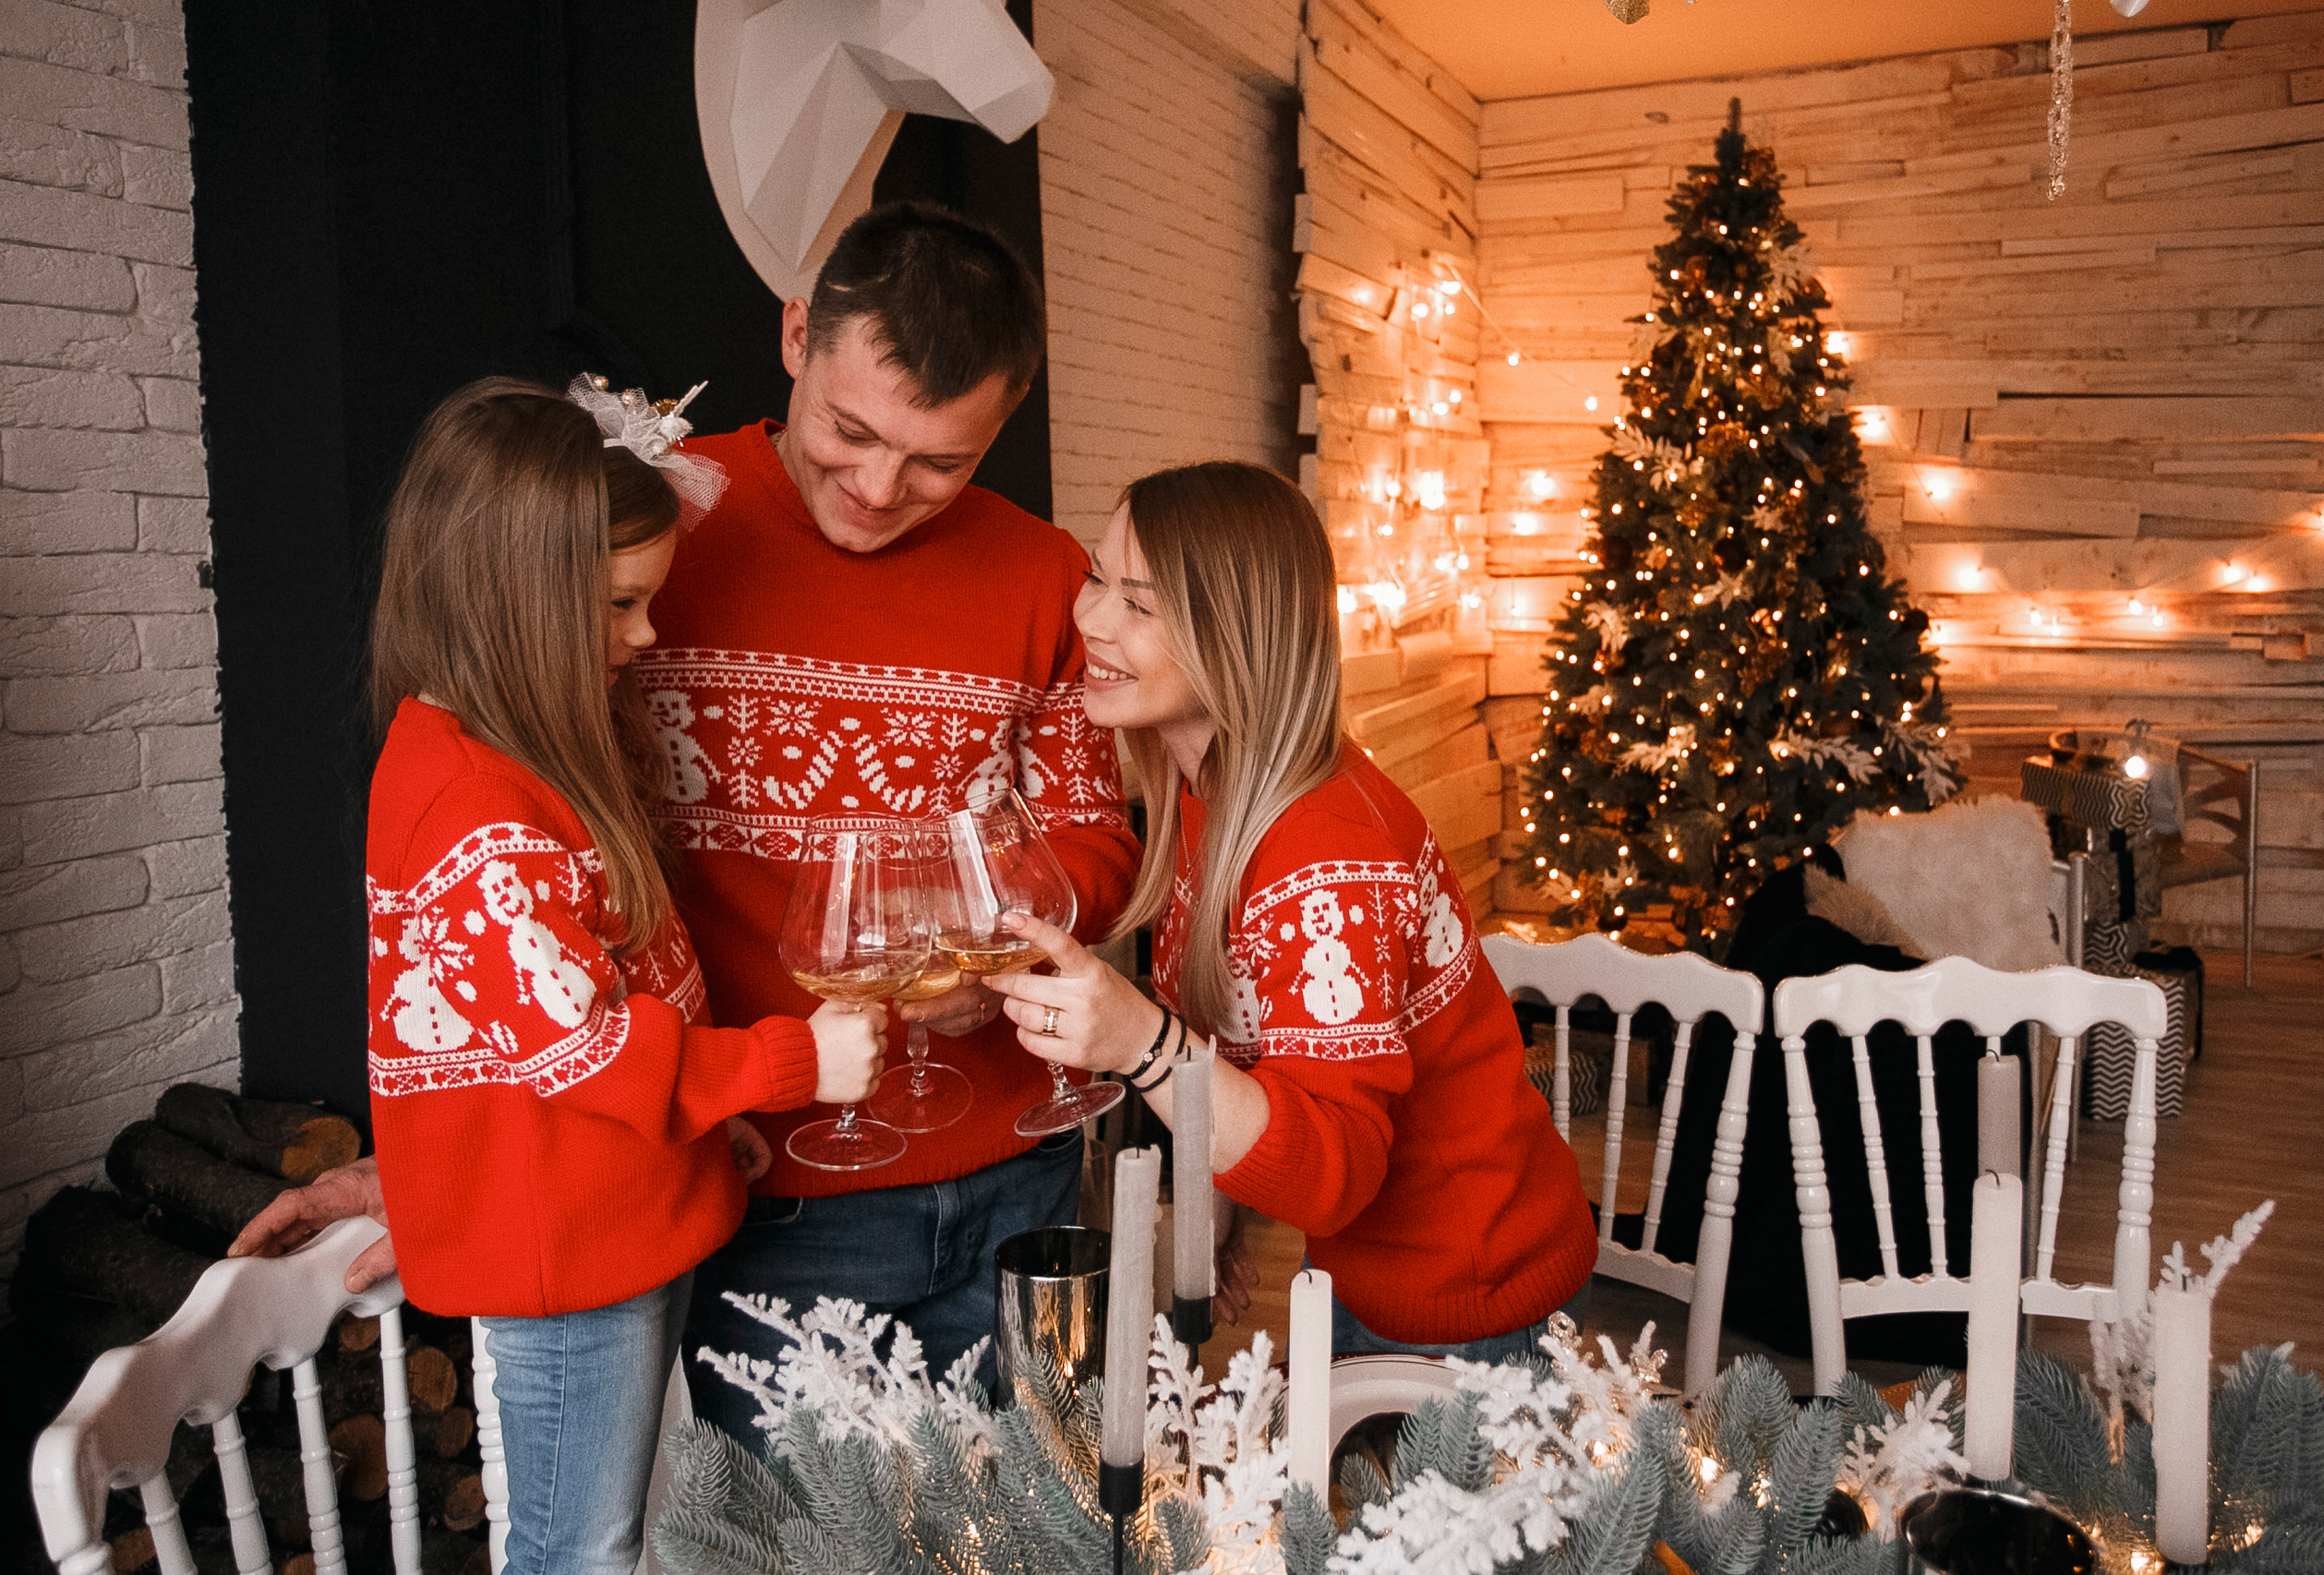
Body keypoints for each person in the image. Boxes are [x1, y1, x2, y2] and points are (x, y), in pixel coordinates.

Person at [337, 376, 886, 1574]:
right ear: (515, 606)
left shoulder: (519, 757)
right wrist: (789, 1063)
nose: (645, 635)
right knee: (576, 1548)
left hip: (617, 1209)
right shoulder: (471, 811)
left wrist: (701, 1129)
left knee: (629, 1526)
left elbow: (614, 983)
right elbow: (587, 1048)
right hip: (567, 1254)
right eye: (621, 605)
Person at [647, 201, 1139, 1443]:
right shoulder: (659, 526)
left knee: (1030, 1514)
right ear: (797, 335)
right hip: (776, 1186)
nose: (876, 489)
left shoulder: (1039, 572)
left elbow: (1098, 840)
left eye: (938, 463)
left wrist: (1004, 944)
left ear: (1002, 422)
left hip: (1024, 1167)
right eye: (848, 431)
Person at [982, 461, 1597, 1360]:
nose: (1089, 618)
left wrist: (1136, 1043)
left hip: (1465, 1292)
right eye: (1097, 577)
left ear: (1237, 637)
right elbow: (1253, 1041)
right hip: (1377, 1269)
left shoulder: (1322, 853)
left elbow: (1334, 1173)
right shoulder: (1216, 786)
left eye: (1140, 604)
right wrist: (1220, 1198)